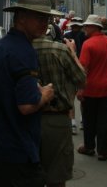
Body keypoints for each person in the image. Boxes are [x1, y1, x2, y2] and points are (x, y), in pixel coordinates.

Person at [0, 0, 56, 187]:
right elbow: (27, 106)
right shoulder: (24, 52)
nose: (45, 23)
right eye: (39, 17)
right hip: (16, 152)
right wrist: (45, 95)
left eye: (47, 18)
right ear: (20, 17)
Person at [33, 30, 86, 187]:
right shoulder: (60, 50)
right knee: (56, 177)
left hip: (25, 119)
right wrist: (73, 52)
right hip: (56, 120)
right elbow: (81, 80)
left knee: (28, 175)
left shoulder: (17, 50)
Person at [77, 14, 107, 162]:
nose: (84, 28)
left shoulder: (88, 44)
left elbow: (83, 68)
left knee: (89, 119)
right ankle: (103, 151)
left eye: (87, 26)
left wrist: (80, 89)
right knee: (104, 120)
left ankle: (89, 147)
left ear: (94, 27)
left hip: (90, 88)